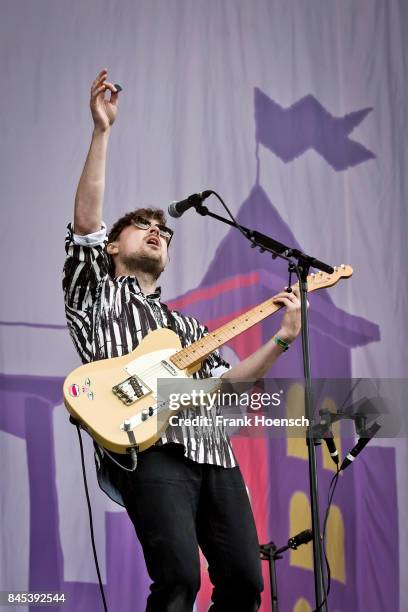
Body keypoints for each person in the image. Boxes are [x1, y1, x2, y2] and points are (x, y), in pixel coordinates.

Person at [63, 69, 303, 612]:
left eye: (163, 231)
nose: (157, 230)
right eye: (142, 225)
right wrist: (101, 132)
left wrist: (282, 340)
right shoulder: (97, 293)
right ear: (112, 248)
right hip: (149, 449)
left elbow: (232, 384)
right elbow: (85, 222)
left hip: (213, 452)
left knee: (245, 582)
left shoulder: (188, 329)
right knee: (178, 579)